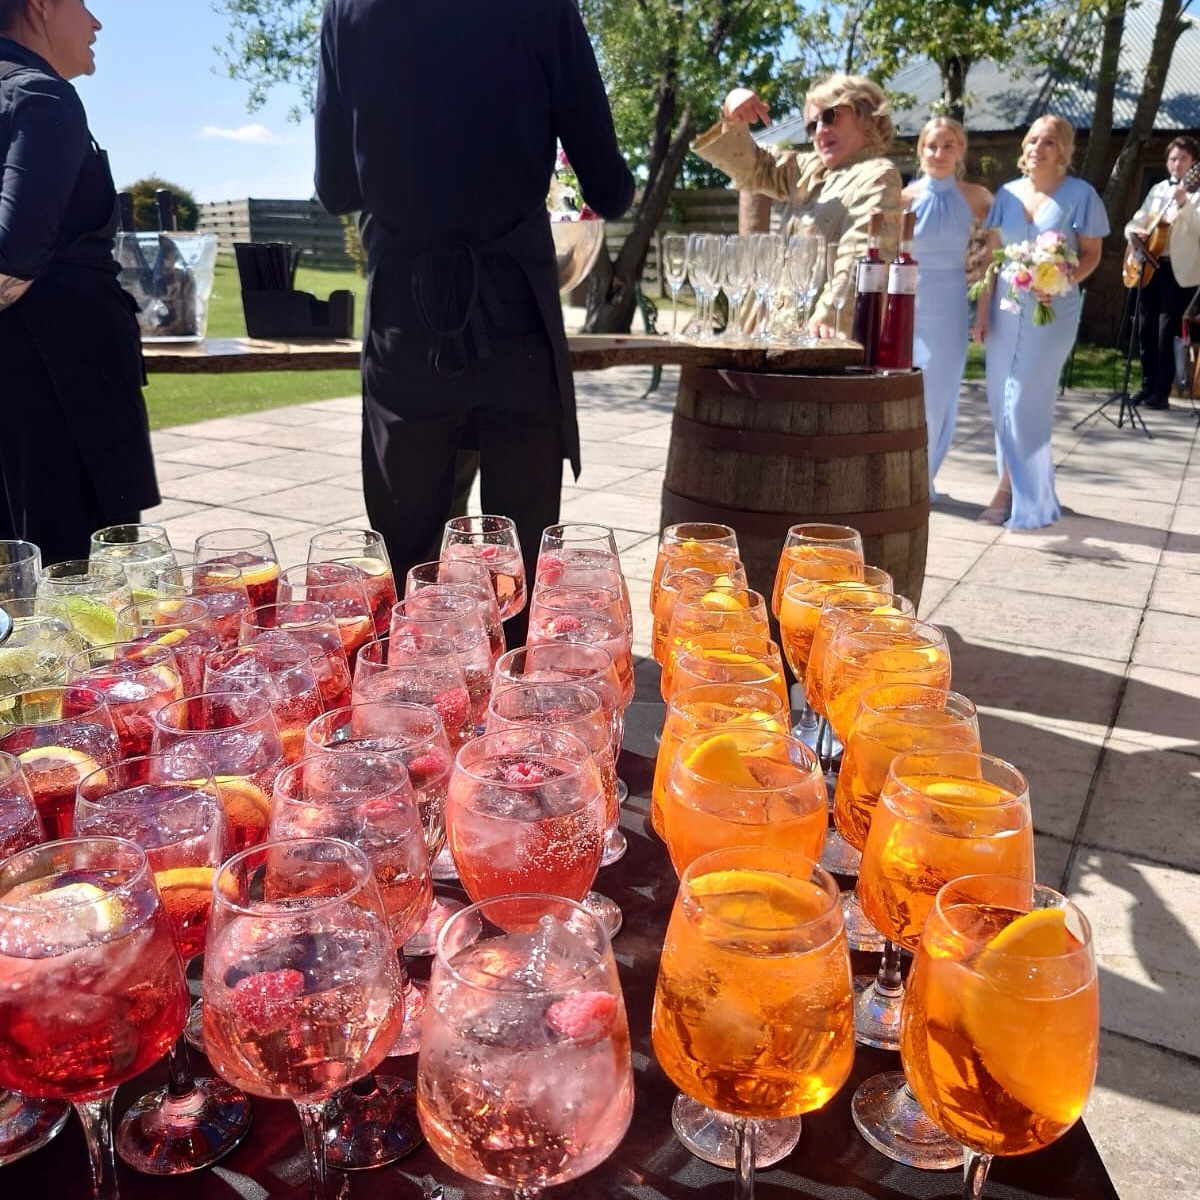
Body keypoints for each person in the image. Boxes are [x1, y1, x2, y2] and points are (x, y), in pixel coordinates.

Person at [314, 0, 634, 633]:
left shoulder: (347, 9)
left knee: (409, 571)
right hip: (515, 311)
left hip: (405, 319)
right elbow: (608, 190)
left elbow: (336, 189)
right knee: (523, 573)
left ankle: (419, 718)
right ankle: (520, 713)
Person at [0, 0, 159, 563]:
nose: (95, 23)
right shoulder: (39, 96)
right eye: (84, 4)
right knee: (82, 584)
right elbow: (12, 256)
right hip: (64, 393)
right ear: (41, 6)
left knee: (16, 578)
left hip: (28, 387)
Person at [972, 115, 1108, 529]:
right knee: (1000, 402)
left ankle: (1009, 492)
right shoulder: (1007, 195)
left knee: (1023, 400)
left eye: (1048, 142)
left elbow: (1091, 255)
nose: (1037, 148)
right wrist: (981, 311)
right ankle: (1036, 484)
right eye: (1032, 140)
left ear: (1063, 150)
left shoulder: (1080, 194)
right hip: (1005, 312)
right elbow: (992, 259)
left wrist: (1062, 278)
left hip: (1052, 312)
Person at [693, 74, 903, 338]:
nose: (819, 130)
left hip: (822, 338)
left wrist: (830, 316)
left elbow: (862, 253)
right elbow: (751, 167)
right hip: (777, 331)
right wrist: (733, 117)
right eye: (811, 126)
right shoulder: (808, 168)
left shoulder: (877, 174)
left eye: (830, 116)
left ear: (867, 115)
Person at [902, 117, 993, 498]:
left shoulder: (978, 197)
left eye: (948, 146)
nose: (938, 153)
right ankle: (902, 472)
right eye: (931, 146)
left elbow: (993, 257)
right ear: (921, 150)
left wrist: (984, 312)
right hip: (909, 299)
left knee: (939, 392)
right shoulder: (902, 198)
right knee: (906, 389)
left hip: (951, 299)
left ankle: (924, 477)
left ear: (961, 150)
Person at [1123, 135, 1200, 410]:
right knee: (1144, 327)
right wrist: (1134, 233)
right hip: (1149, 266)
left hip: (1178, 270)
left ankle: (1161, 391)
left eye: (1182, 159)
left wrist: (1184, 205)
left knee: (1166, 329)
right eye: (1172, 158)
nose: (1176, 164)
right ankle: (1146, 386)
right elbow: (1135, 221)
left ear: (1193, 164)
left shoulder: (1197, 193)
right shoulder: (1157, 189)